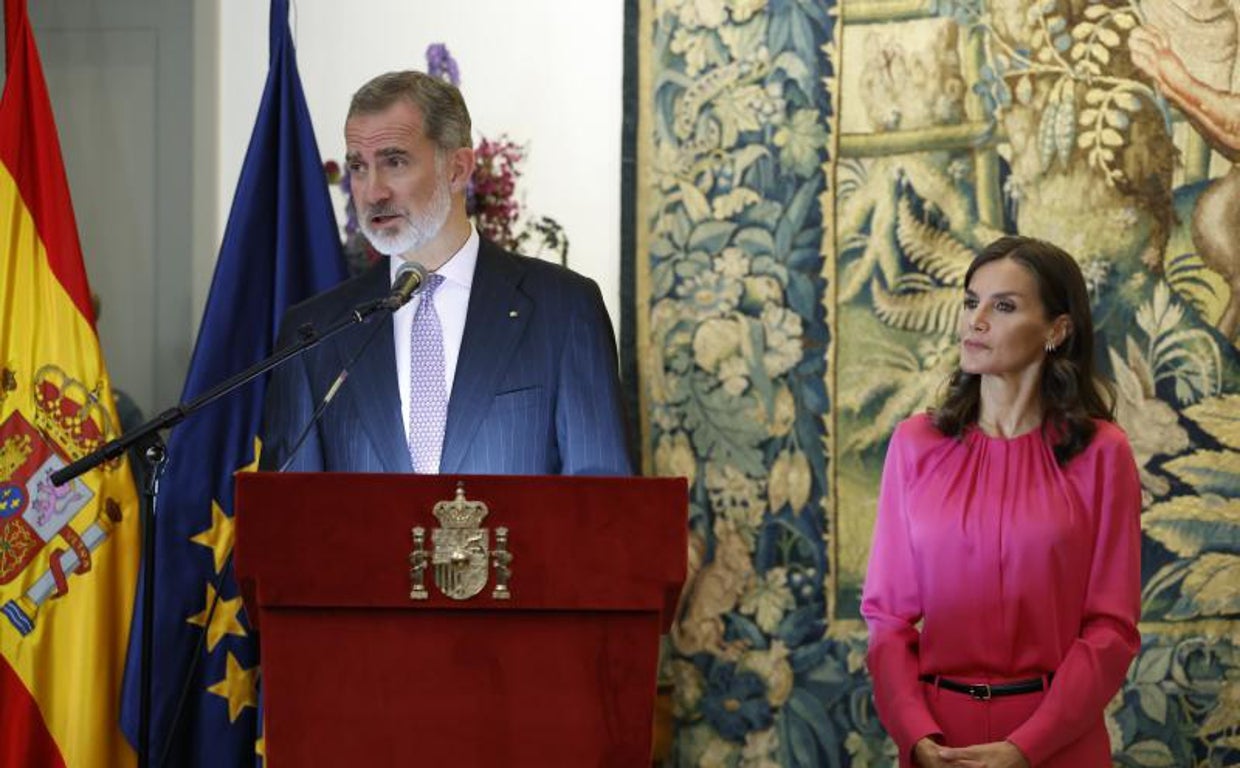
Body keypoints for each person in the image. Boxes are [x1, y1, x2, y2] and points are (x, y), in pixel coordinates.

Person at [258, 71, 631, 476]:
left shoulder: (564, 310)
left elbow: (602, 499)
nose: (373, 191)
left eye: (394, 162)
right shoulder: (316, 333)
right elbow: (290, 510)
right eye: (359, 167)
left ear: (457, 169)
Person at [860, 236, 1142, 767]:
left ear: (1056, 330)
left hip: (1057, 740)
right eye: (972, 302)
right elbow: (887, 617)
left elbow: (1112, 628)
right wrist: (915, 735)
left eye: (1004, 306)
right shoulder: (915, 444)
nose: (977, 320)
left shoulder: (1103, 453)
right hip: (937, 742)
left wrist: (1025, 747)